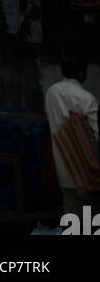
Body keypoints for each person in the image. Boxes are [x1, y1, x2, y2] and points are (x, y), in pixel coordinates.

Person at [45, 50, 99, 215]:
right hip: (88, 172)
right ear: (82, 72)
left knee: (73, 215)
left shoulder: (51, 93)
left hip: (64, 167)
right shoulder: (85, 98)